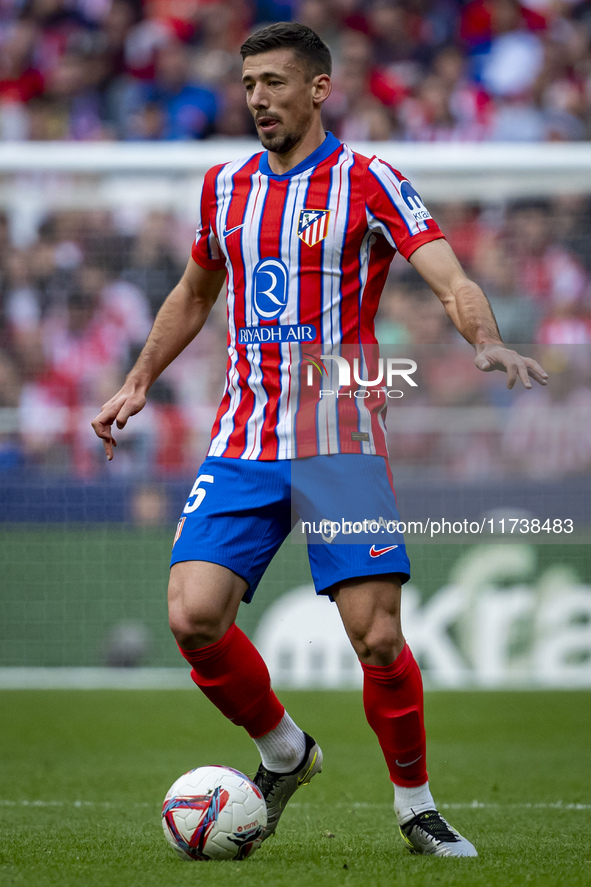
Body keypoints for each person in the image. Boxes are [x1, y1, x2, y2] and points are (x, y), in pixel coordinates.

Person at [91, 21, 548, 858]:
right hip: (244, 438)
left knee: (376, 636)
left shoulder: (368, 180)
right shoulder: (224, 187)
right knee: (193, 617)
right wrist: (137, 380)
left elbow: (447, 273)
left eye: (272, 82)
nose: (257, 97)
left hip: (337, 433)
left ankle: (415, 805)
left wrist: (481, 337)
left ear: (317, 89)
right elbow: (195, 292)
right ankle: (284, 751)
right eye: (248, 83)